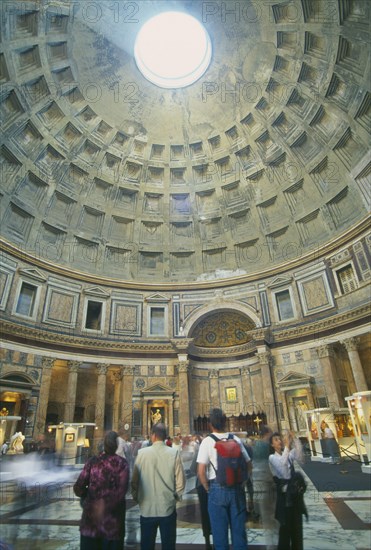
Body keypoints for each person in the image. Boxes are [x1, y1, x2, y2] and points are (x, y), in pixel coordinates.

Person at [197, 408, 251, 550]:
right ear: (225, 422)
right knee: (239, 534)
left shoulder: (207, 441)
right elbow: (248, 463)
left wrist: (208, 488)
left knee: (220, 536)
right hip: (236, 489)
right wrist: (243, 482)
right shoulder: (235, 439)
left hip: (216, 488)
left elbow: (201, 471)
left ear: (210, 424)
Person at [131, 422, 185, 550]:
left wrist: (137, 498)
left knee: (147, 546)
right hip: (167, 507)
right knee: (168, 545)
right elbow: (181, 482)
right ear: (165, 436)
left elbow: (134, 481)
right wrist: (175, 499)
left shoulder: (142, 453)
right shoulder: (174, 453)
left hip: (147, 509)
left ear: (153, 436)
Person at [73, 431, 129, 550]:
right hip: (113, 524)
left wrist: (87, 496)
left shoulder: (92, 461)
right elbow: (121, 492)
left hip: (91, 521)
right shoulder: (122, 464)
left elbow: (78, 488)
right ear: (116, 445)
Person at [269, 431, 306, 550]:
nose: (279, 441)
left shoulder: (288, 454)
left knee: (297, 528)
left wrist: (294, 439)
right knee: (285, 528)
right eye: (276, 440)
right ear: (272, 445)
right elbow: (282, 468)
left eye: (280, 439)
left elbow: (300, 456)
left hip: (294, 496)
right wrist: (287, 447)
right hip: (284, 498)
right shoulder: (272, 458)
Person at [253, 425, 278, 550]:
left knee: (267, 514)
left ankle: (272, 543)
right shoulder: (265, 446)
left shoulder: (257, 445)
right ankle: (273, 544)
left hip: (258, 482)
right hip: (266, 482)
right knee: (271, 515)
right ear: (267, 434)